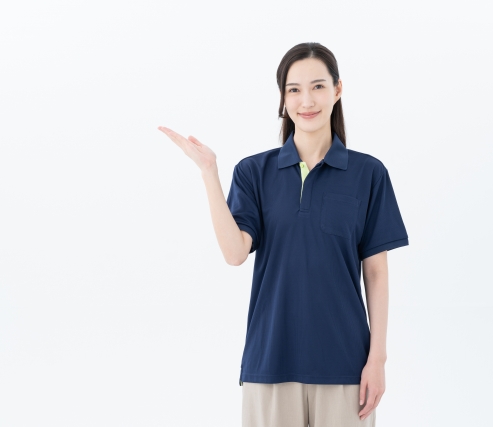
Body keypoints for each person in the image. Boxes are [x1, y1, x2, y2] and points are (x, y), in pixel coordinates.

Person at [158, 42, 409, 427]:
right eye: (294, 89)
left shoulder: (369, 174)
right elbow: (234, 253)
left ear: (337, 90)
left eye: (318, 86)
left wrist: (378, 359)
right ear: (283, 98)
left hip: (346, 367)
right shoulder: (254, 172)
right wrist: (209, 173)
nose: (306, 100)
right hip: (270, 363)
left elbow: (376, 272)